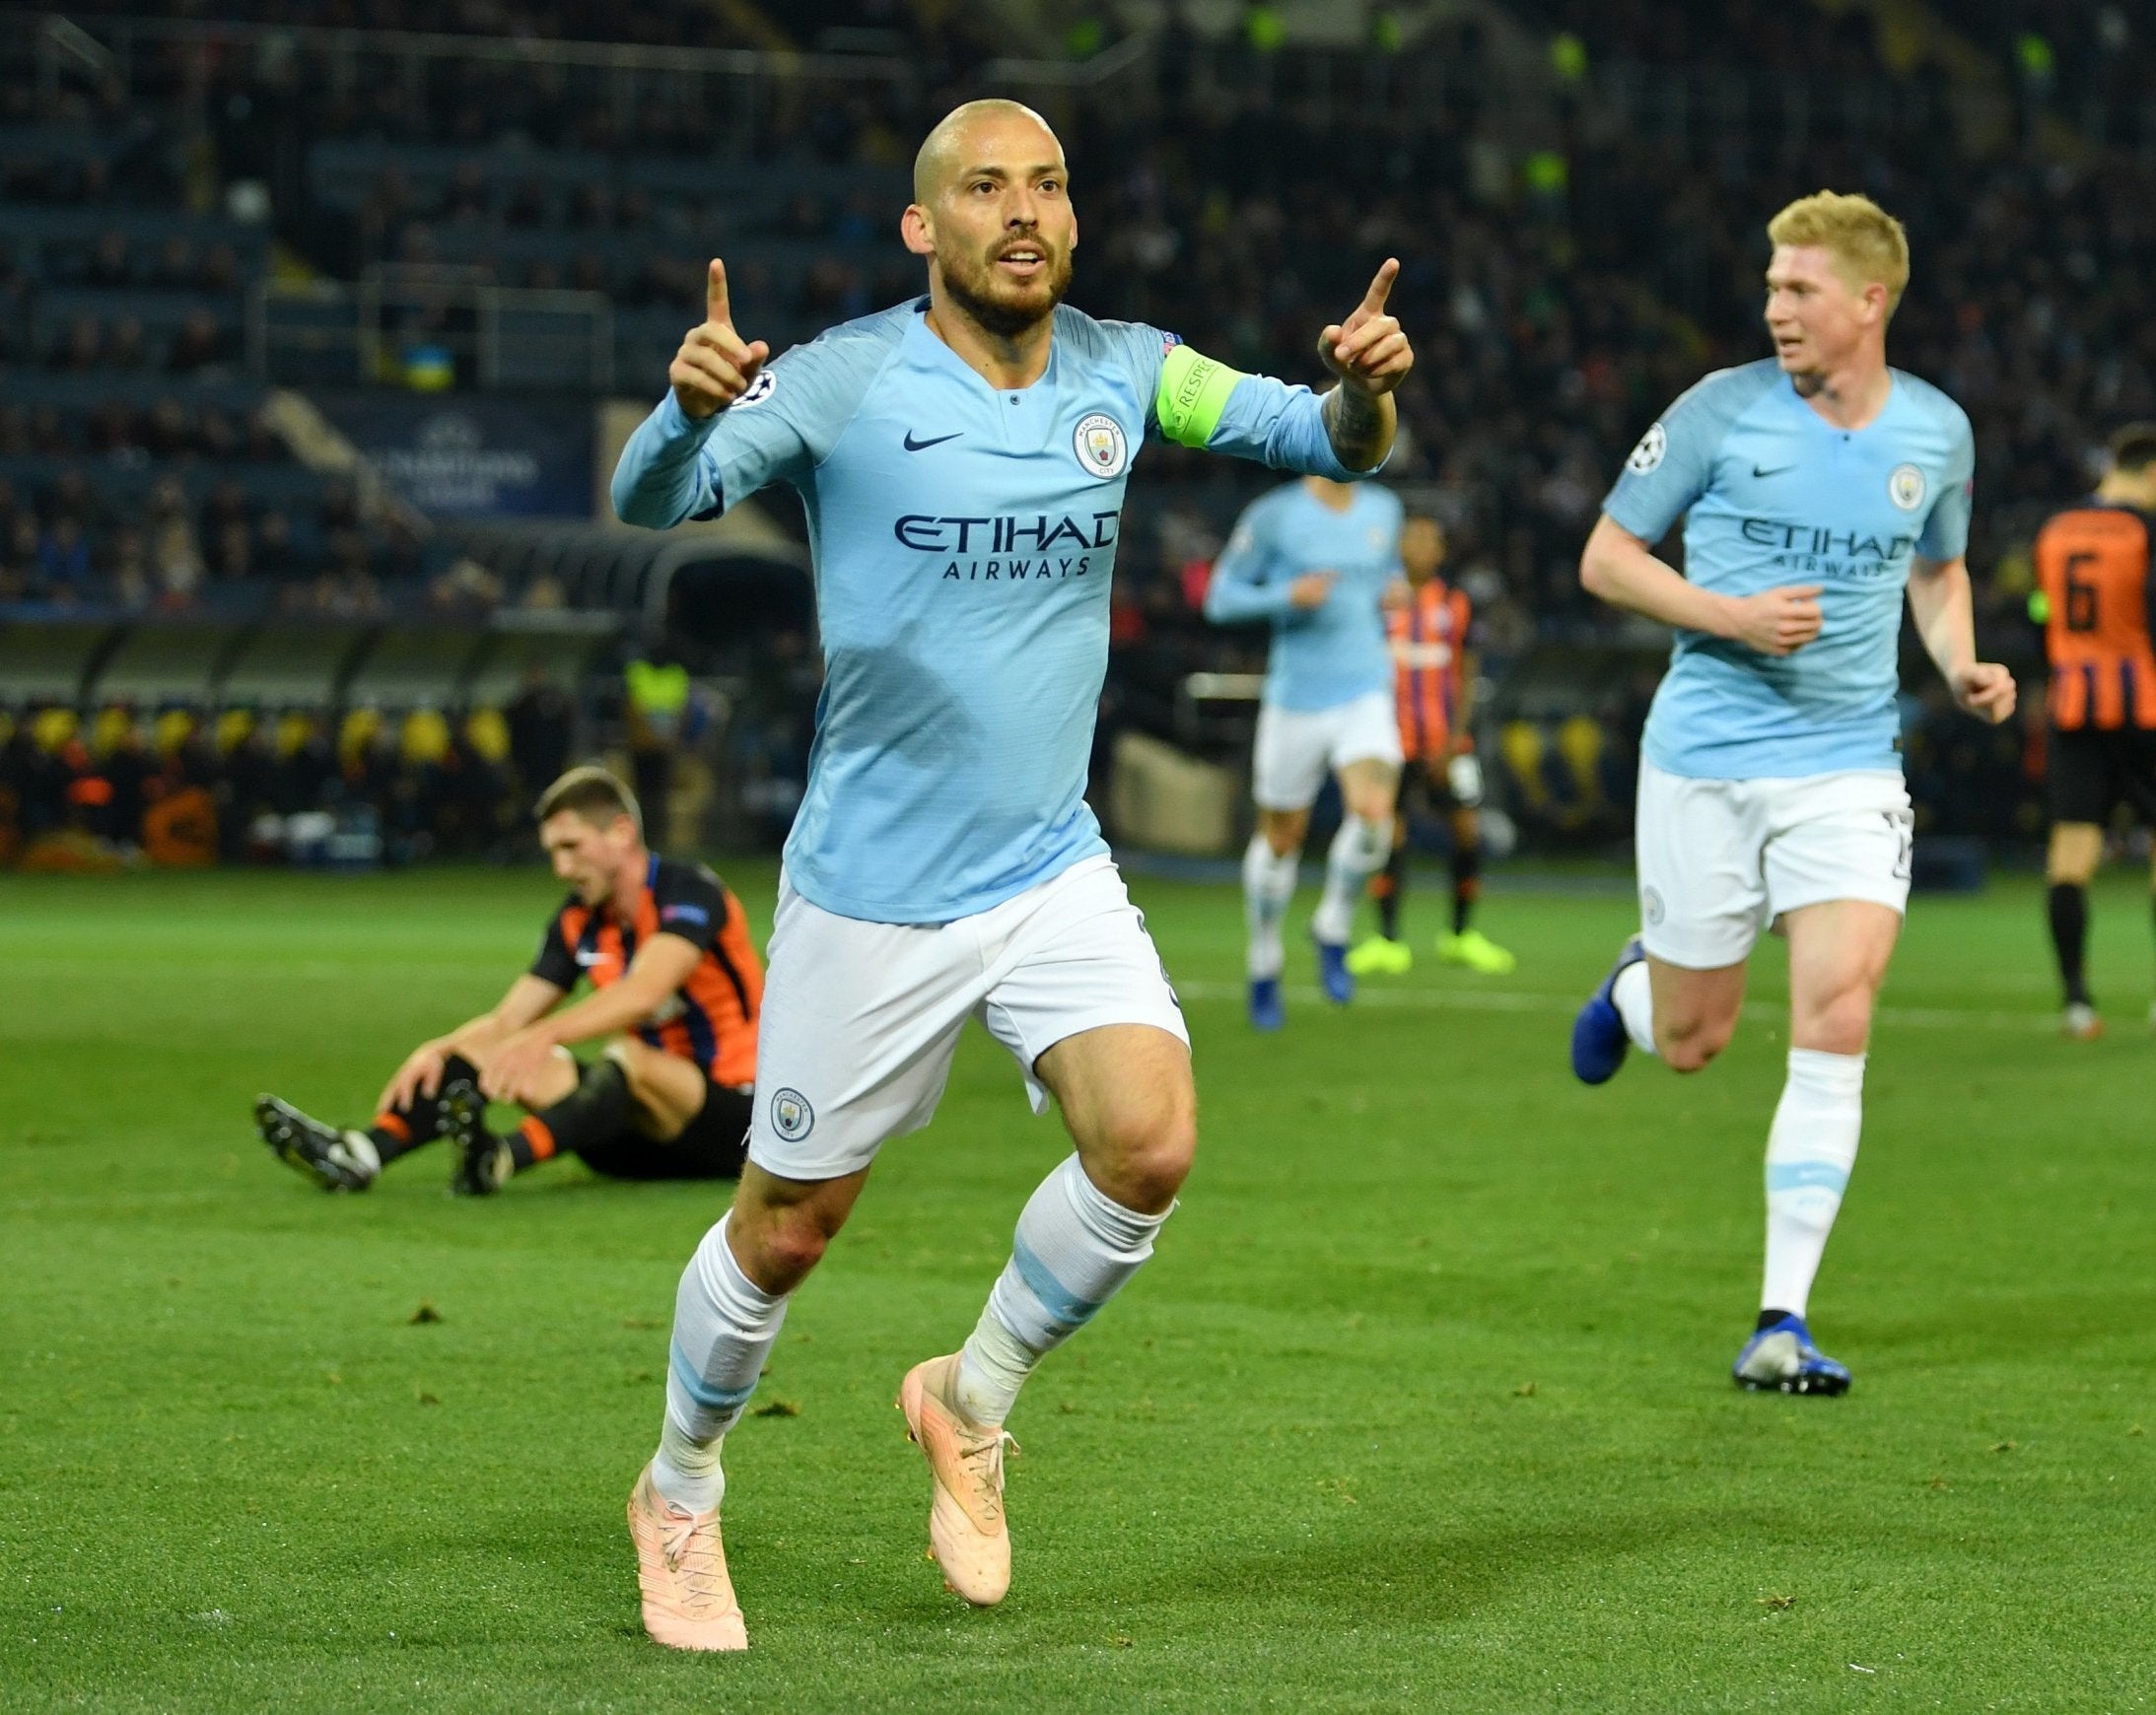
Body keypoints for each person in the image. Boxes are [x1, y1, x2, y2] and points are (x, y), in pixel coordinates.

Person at [608, 98, 1411, 1647]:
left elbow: (1325, 442)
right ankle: (681, 1485)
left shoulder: (1131, 368)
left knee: (1152, 1143)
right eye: (984, 189)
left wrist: (1363, 392)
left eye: (1046, 185)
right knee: (786, 1230)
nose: (1022, 212)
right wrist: (683, 410)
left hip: (1050, 865)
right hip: (872, 891)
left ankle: (969, 1400)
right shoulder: (844, 380)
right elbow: (657, 503)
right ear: (926, 228)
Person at [1565, 192, 2016, 1397]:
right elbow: (1605, 558)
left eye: (1798, 289)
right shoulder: (1717, 413)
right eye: (1770, 286)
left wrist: (1960, 662)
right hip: (1705, 761)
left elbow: (1939, 570)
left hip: (1849, 765)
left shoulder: (1936, 432)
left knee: (1838, 1015)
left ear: (1871, 301)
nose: (1774, 307)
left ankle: (1780, 1321)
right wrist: (1728, 617)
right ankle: (1632, 987)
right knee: (1697, 1043)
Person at [255, 766, 761, 1197]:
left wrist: (543, 1036)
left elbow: (643, 992)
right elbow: (509, 1018)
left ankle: (499, 1159)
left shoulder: (689, 892)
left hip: (735, 1125)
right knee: (495, 1045)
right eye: (552, 852)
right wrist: (443, 1048)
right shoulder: (577, 920)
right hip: (633, 1137)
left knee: (622, 1056)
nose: (562, 867)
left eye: (572, 846)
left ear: (621, 833)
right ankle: (362, 1153)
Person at [2033, 423, 2156, 1039]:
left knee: (2071, 854)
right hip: (2141, 706)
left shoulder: (2054, 530)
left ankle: (2077, 1005)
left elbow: (2044, 615)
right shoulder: (2147, 530)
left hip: (2071, 707)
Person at [1203, 472, 1405, 1027]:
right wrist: (1286, 595)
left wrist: (1395, 590)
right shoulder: (1275, 515)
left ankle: (1333, 924)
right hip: (1296, 697)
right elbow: (1220, 598)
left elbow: (1389, 573)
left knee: (1373, 814)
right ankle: (1264, 956)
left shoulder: (1384, 509)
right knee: (1282, 838)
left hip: (1365, 687)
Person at [1349, 513, 1515, 976]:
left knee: (1467, 833)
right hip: (1390, 742)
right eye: (1411, 537)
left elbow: (1467, 673)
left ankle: (1460, 935)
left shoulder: (1457, 604)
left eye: (1428, 539)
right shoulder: (1380, 602)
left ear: (1441, 552)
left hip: (1447, 742)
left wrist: (1454, 739)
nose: (1418, 546)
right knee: (1388, 837)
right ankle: (1386, 940)